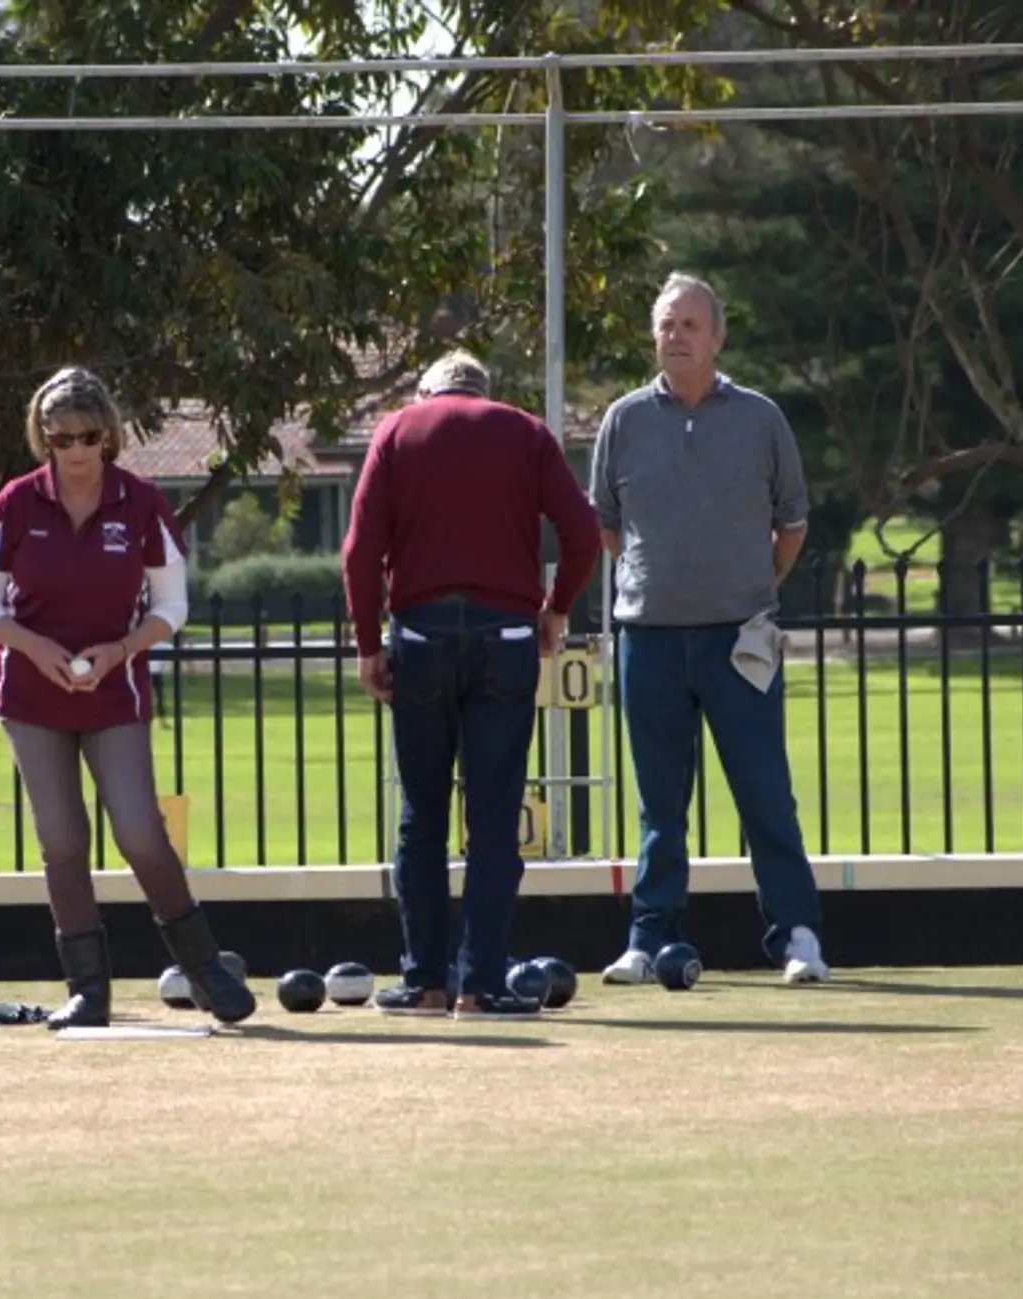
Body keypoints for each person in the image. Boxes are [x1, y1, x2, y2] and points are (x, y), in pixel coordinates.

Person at [0, 366, 255, 1029]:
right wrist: (37, 649)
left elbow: (171, 605)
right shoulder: (14, 503)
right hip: (31, 694)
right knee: (61, 839)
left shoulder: (141, 502)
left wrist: (117, 652)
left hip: (113, 690)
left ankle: (206, 971)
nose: (74, 451)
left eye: (88, 437)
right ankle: (88, 991)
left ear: (109, 439)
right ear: (43, 437)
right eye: (60, 437)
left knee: (138, 830)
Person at [340, 350, 602, 1019]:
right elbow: (581, 535)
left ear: (429, 390)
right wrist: (557, 608)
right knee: (492, 818)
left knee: (422, 816)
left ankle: (425, 981)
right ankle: (479, 985)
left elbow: (360, 551)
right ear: (485, 389)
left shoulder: (399, 430)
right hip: (506, 637)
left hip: (422, 635)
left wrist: (370, 645)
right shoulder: (524, 431)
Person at [588, 272, 829, 986]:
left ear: (718, 338)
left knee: (764, 793)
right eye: (666, 325)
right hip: (650, 640)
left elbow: (792, 523)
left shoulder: (760, 419)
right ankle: (649, 936)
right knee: (659, 802)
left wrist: (751, 587)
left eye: (690, 325)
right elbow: (607, 526)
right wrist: (655, 584)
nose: (676, 337)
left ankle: (798, 936)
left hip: (740, 639)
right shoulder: (623, 421)